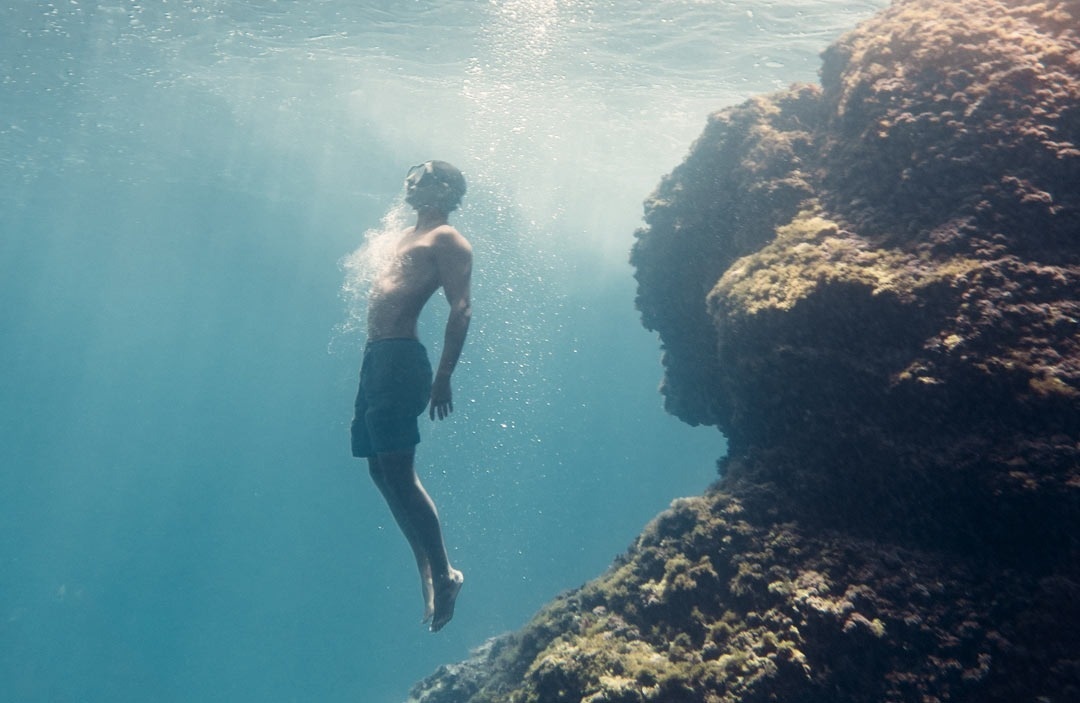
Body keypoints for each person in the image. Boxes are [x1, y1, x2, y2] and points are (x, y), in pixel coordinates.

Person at [350, 160, 471, 632]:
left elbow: (461, 308)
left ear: (444, 188)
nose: (412, 181)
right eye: (412, 174)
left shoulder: (448, 239)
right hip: (377, 357)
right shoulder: (403, 236)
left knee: (399, 472)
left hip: (401, 359)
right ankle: (425, 565)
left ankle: (444, 572)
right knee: (379, 469)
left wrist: (444, 376)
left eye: (423, 176)